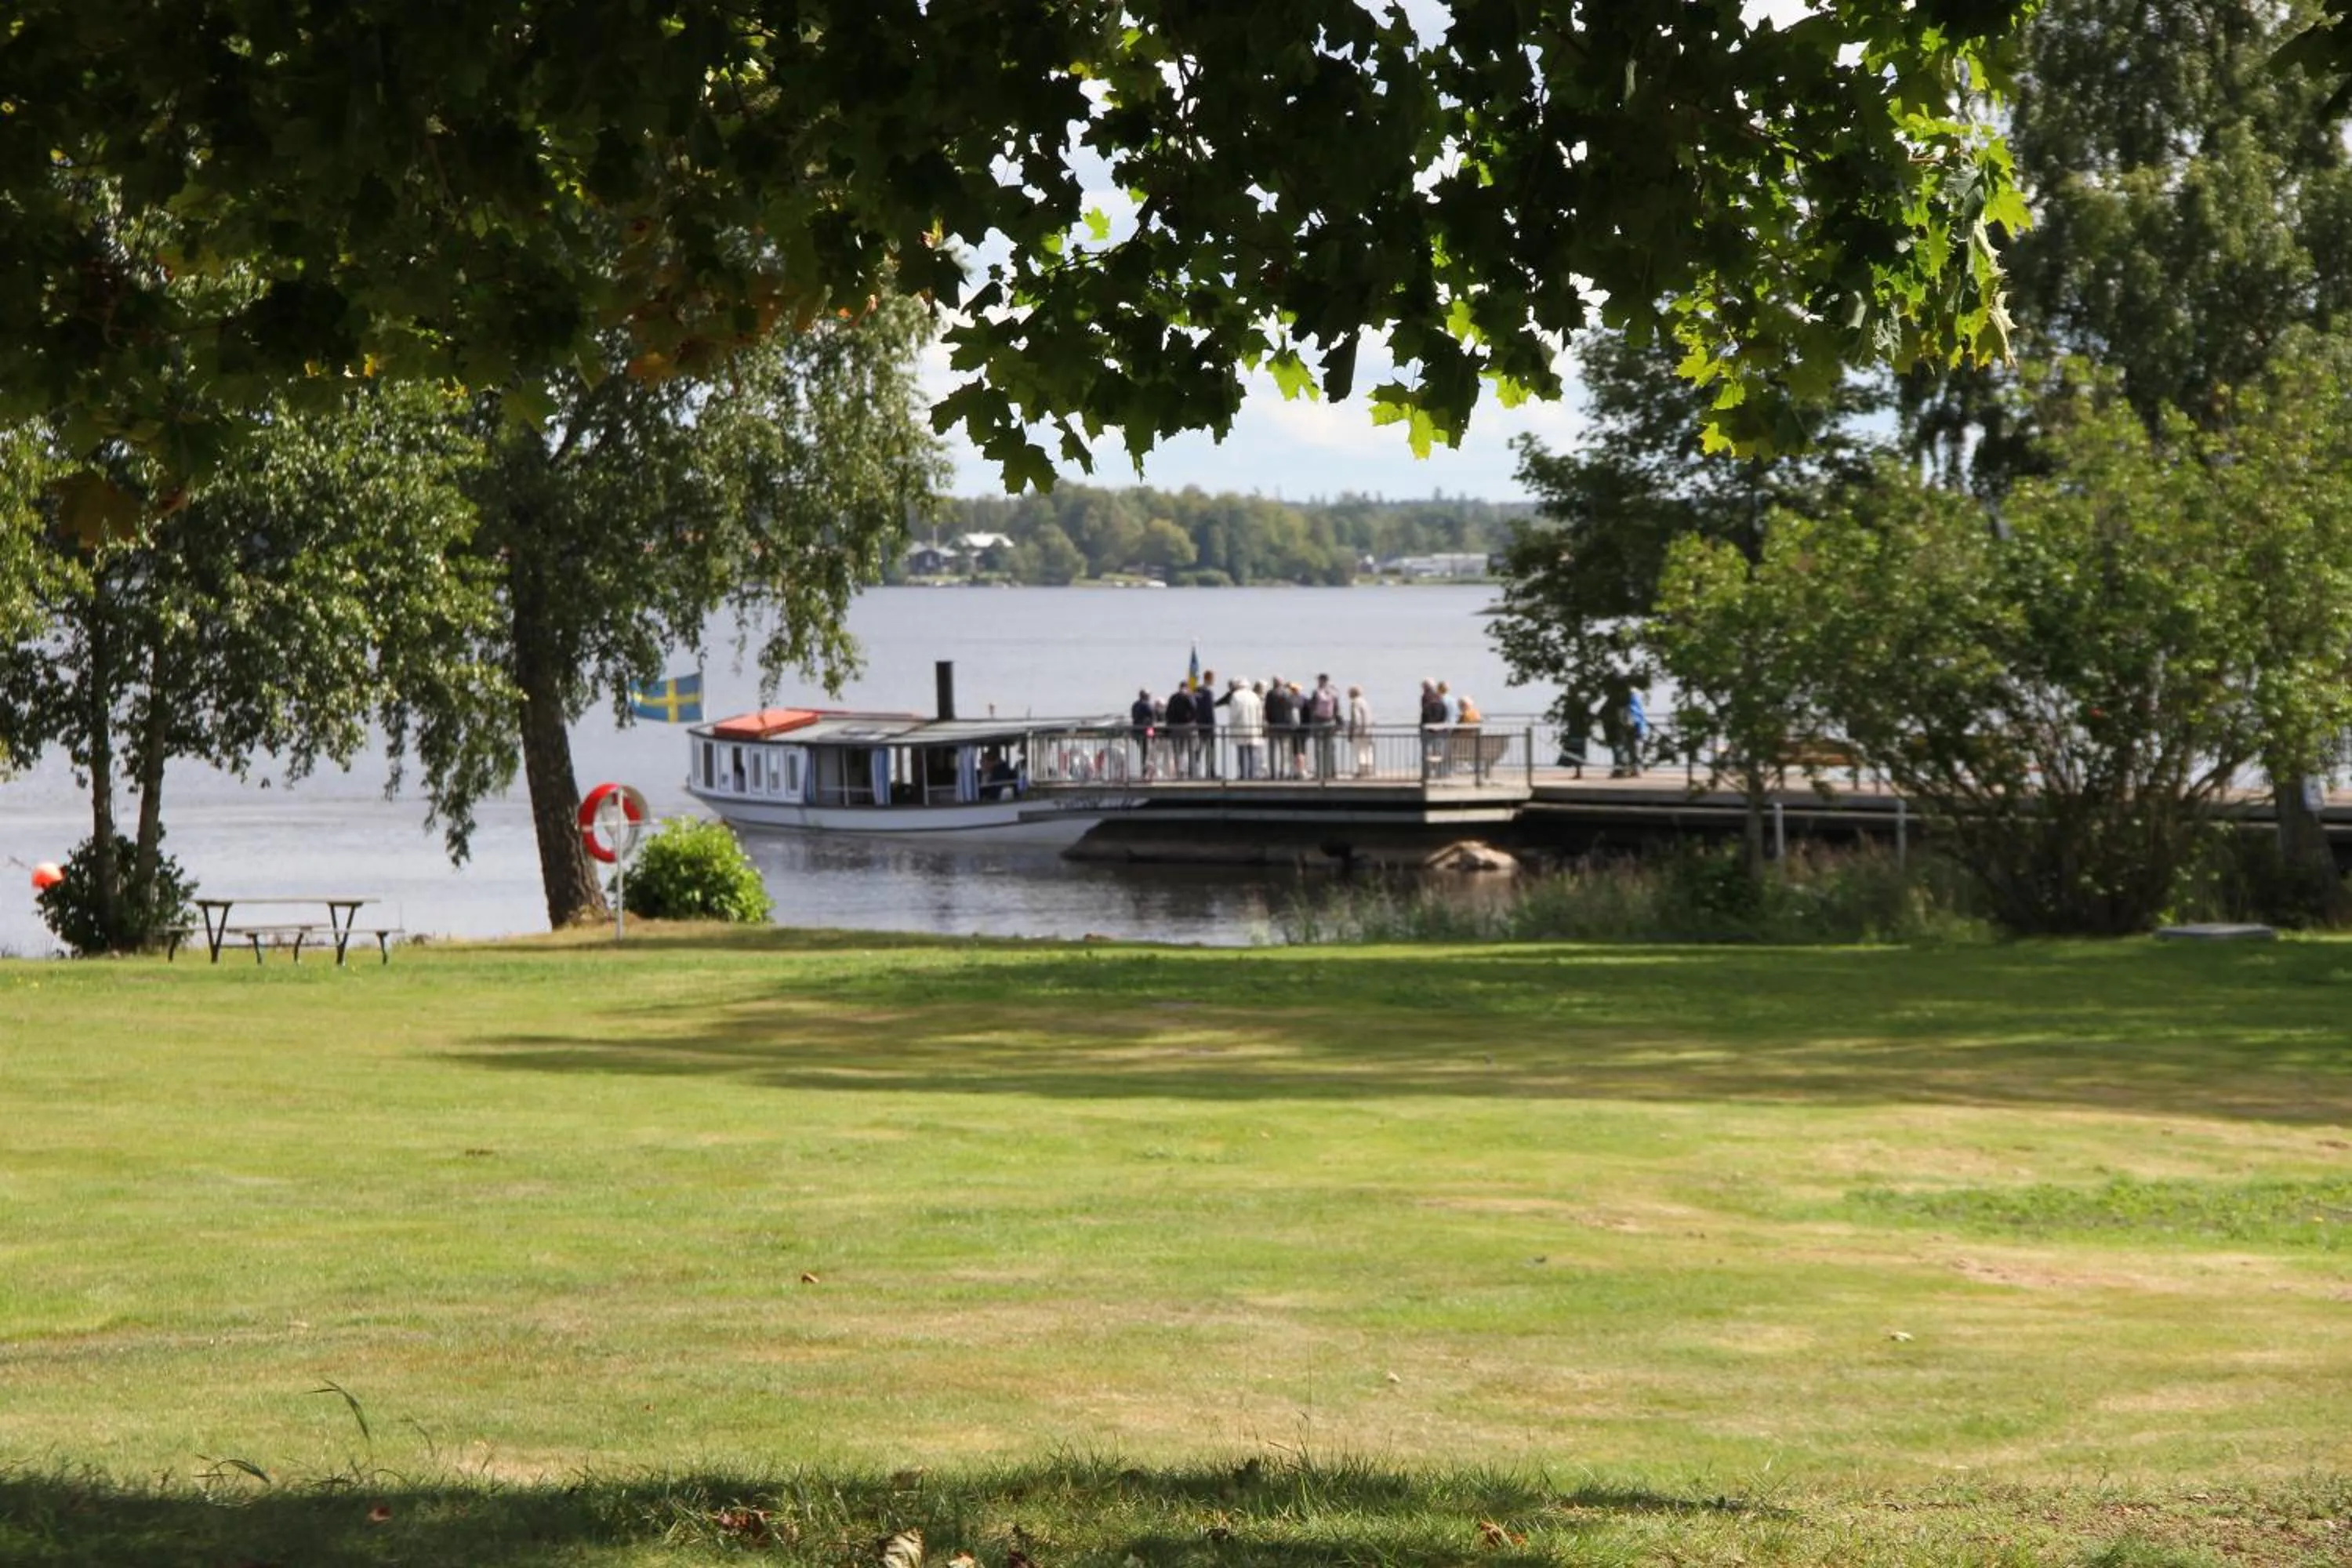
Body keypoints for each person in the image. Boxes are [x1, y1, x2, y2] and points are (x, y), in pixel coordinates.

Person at [1225, 676, 1265, 779]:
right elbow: (1260, 714)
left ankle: (1244, 775)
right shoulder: (1254, 696)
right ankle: (1253, 774)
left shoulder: (1236, 696)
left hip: (1240, 729)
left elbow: (1234, 714)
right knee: (1253, 753)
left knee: (1242, 753)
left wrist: (1231, 725)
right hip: (1254, 729)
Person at [1307, 673, 1342, 779]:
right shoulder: (1333, 693)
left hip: (1318, 723)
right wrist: (1338, 723)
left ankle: (1319, 773)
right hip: (1330, 723)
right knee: (1330, 748)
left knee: (1319, 748)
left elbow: (1311, 707)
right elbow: (1337, 710)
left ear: (1319, 681)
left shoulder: (1316, 692)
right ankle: (1331, 772)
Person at [1264, 677, 1296, 779]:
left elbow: (1267, 709)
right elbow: (1291, 707)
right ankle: (1283, 771)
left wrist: (1268, 721)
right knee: (1284, 750)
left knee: (1272, 750)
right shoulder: (1287, 694)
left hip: (1273, 725)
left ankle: (1273, 772)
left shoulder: (1270, 694)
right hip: (1285, 726)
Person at [1165, 681, 1196, 778]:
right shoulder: (1189, 696)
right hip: (1187, 727)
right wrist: (1192, 720)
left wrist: (1169, 726)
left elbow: (1168, 713)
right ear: (1186, 688)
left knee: (1177, 751)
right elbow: (1194, 708)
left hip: (1175, 728)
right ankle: (1190, 772)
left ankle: (1179, 771)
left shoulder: (1173, 697)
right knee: (1188, 750)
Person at [1194, 669, 1221, 779]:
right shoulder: (1208, 692)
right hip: (1208, 726)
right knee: (1210, 750)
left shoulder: (1196, 690)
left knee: (1198, 750)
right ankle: (1211, 772)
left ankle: (1194, 771)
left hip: (1199, 725)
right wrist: (1213, 725)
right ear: (1209, 679)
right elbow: (1209, 710)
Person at [1347, 684, 1374, 777]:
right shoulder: (1365, 702)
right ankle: (1369, 769)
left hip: (1359, 731)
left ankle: (1361, 771)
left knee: (1359, 750)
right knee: (1367, 750)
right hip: (1368, 730)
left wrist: (1352, 731)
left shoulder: (1355, 703)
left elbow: (1356, 718)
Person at [1130, 687, 1157, 779]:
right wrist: (1152, 735)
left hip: (1136, 732)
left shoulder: (1135, 705)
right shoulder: (1148, 706)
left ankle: (1143, 771)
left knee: (1142, 752)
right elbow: (1151, 722)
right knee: (1146, 753)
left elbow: (1134, 717)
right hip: (1145, 733)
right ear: (1146, 696)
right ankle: (1145, 772)